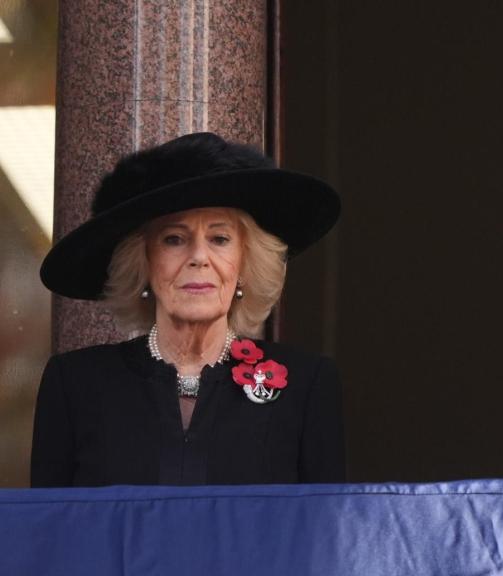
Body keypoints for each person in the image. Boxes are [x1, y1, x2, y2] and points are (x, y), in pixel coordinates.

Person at [32, 132, 346, 486]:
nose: (199, 257)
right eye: (174, 239)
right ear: (144, 264)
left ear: (245, 263)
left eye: (220, 239)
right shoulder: (76, 384)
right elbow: (50, 518)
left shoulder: (306, 385)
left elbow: (324, 520)